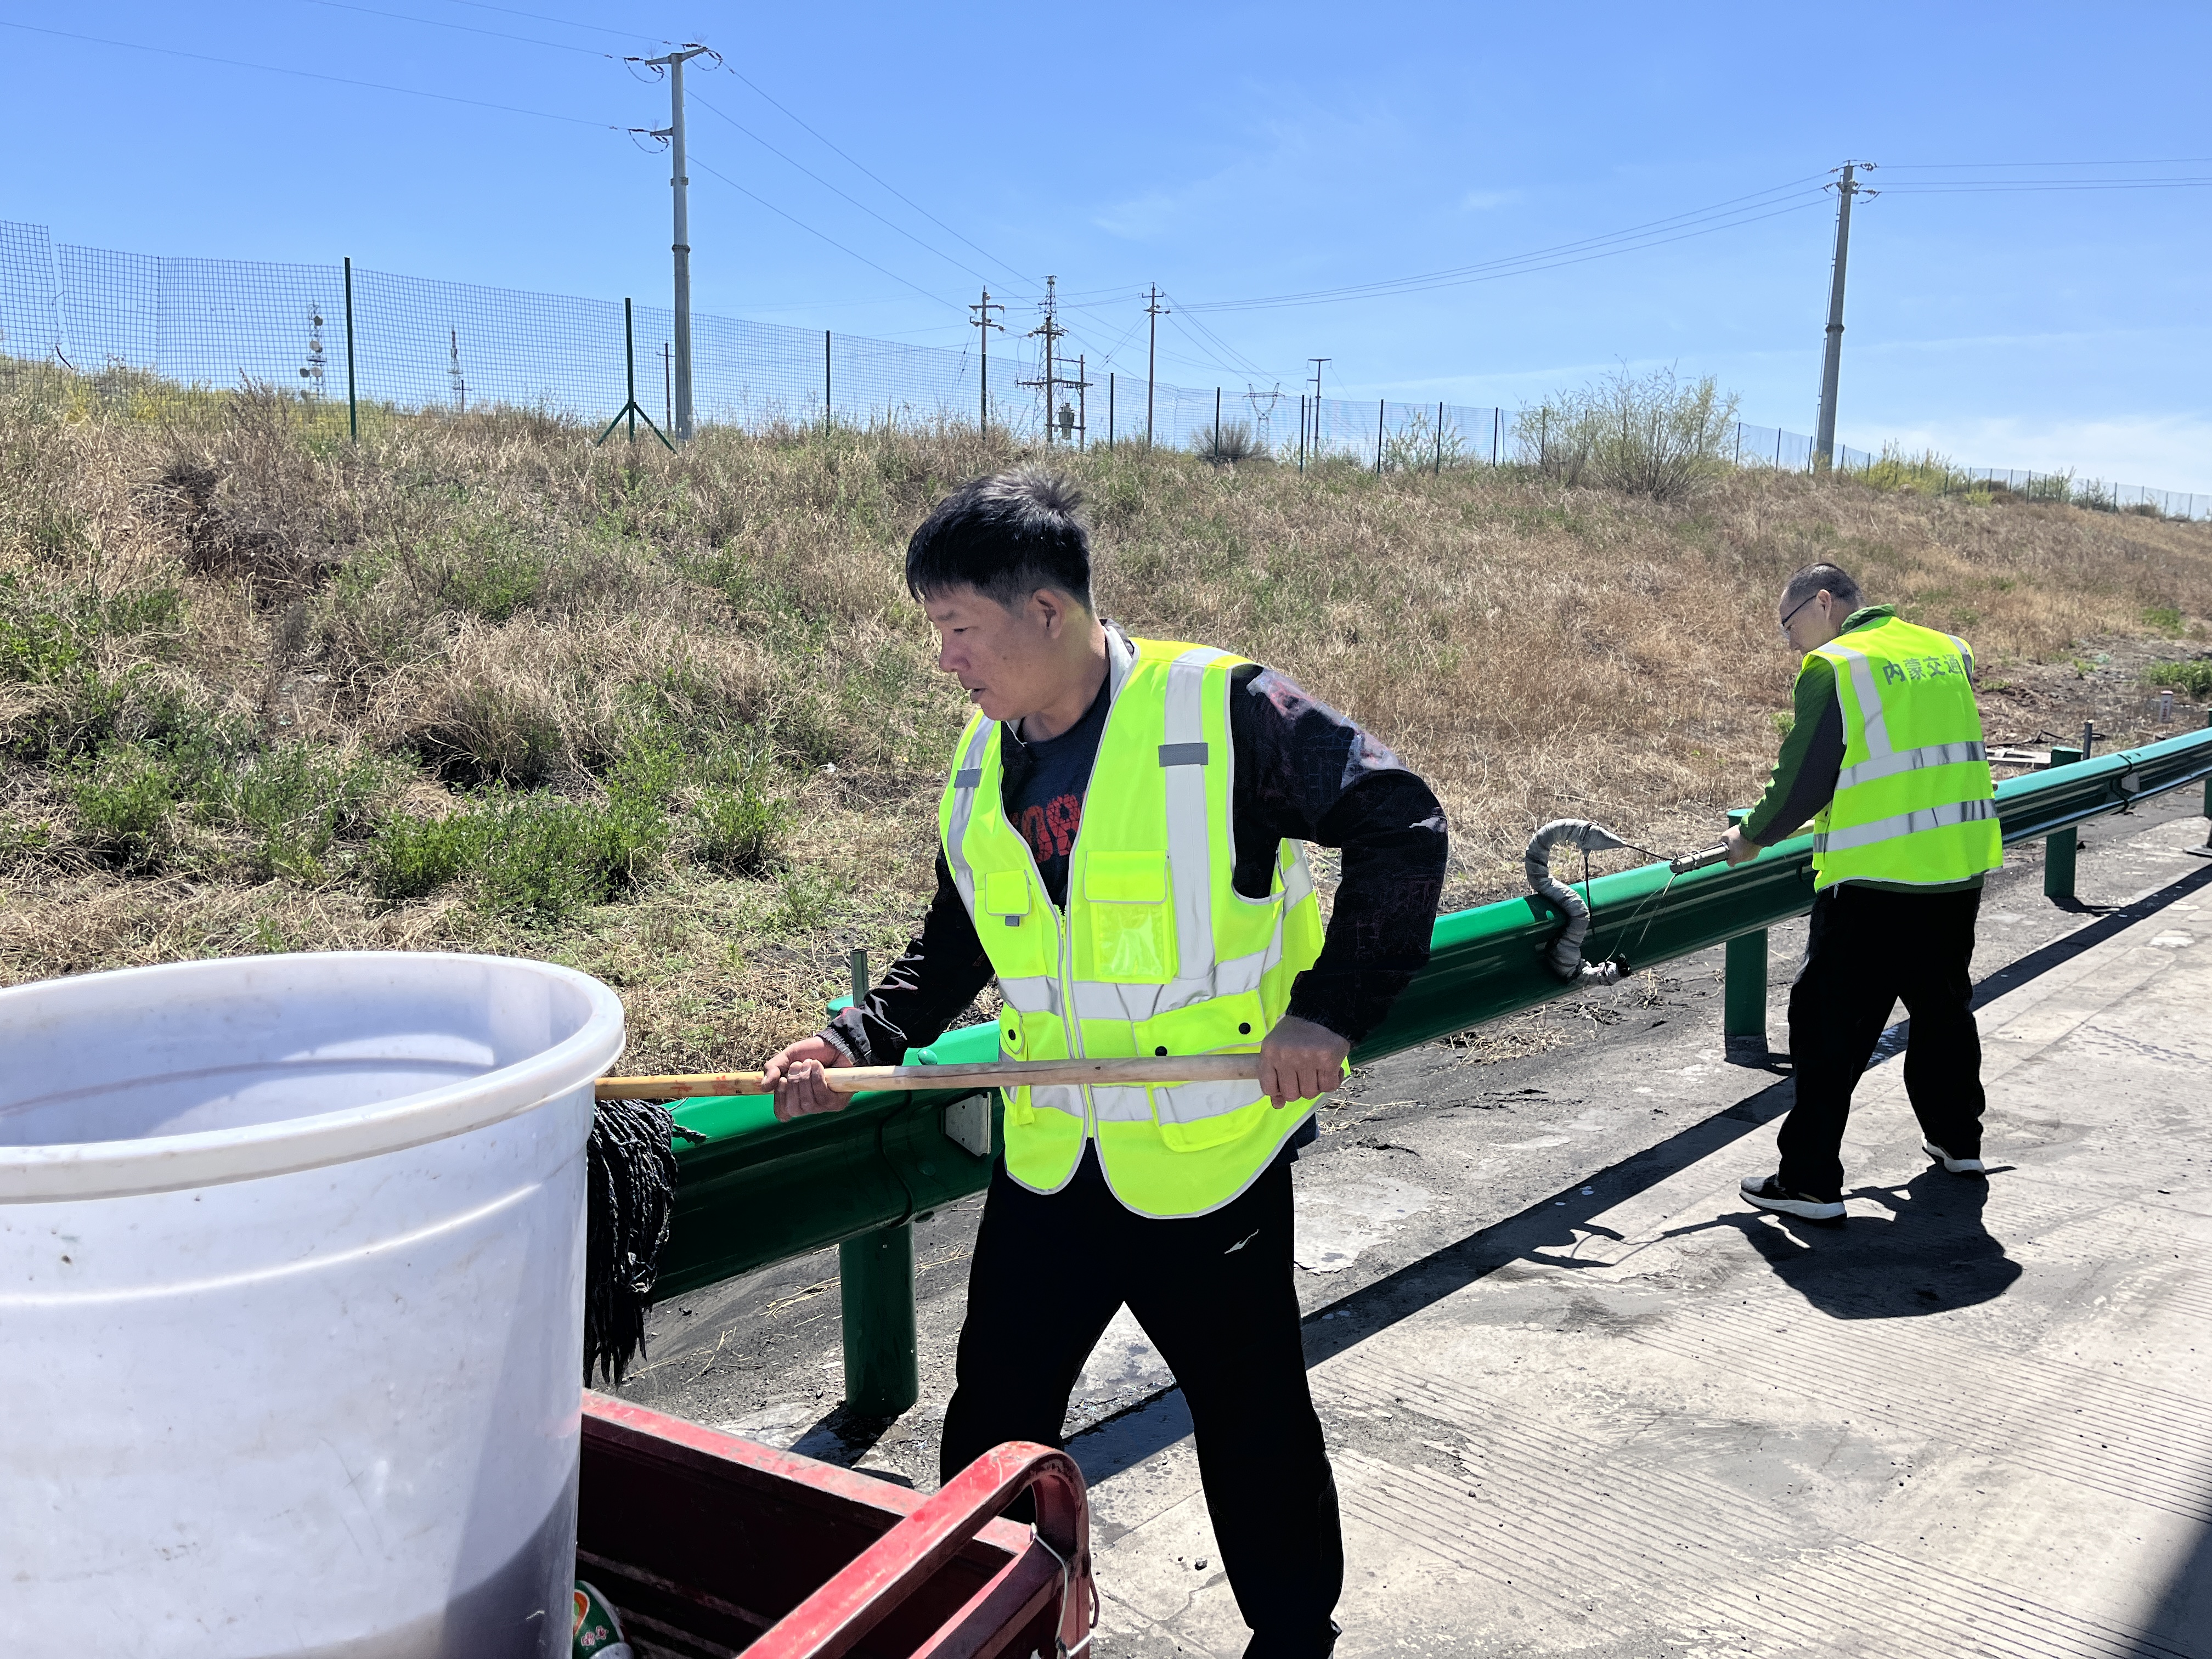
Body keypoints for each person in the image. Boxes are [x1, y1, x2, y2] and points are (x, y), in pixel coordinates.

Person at [764, 467, 1447, 1659]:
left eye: (957, 628)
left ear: (1047, 613)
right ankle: (993, 1628)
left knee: (1251, 1419)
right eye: (936, 631)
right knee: (994, 1425)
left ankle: (1294, 1636)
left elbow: (1401, 823)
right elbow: (962, 934)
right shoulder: (984, 765)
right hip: (1050, 1163)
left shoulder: (1221, 711)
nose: (945, 660)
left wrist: (1331, 1013)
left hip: (1204, 1162)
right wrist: (862, 1041)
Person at [1723, 560, 2004, 1223]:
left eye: (1790, 626)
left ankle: (1810, 1182)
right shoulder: (1946, 650)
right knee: (1942, 1010)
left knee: (1828, 1031)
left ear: (1823, 603)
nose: (1792, 643)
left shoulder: (1838, 666)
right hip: (1955, 869)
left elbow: (1806, 776)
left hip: (1876, 882)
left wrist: (1751, 837)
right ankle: (1959, 1142)